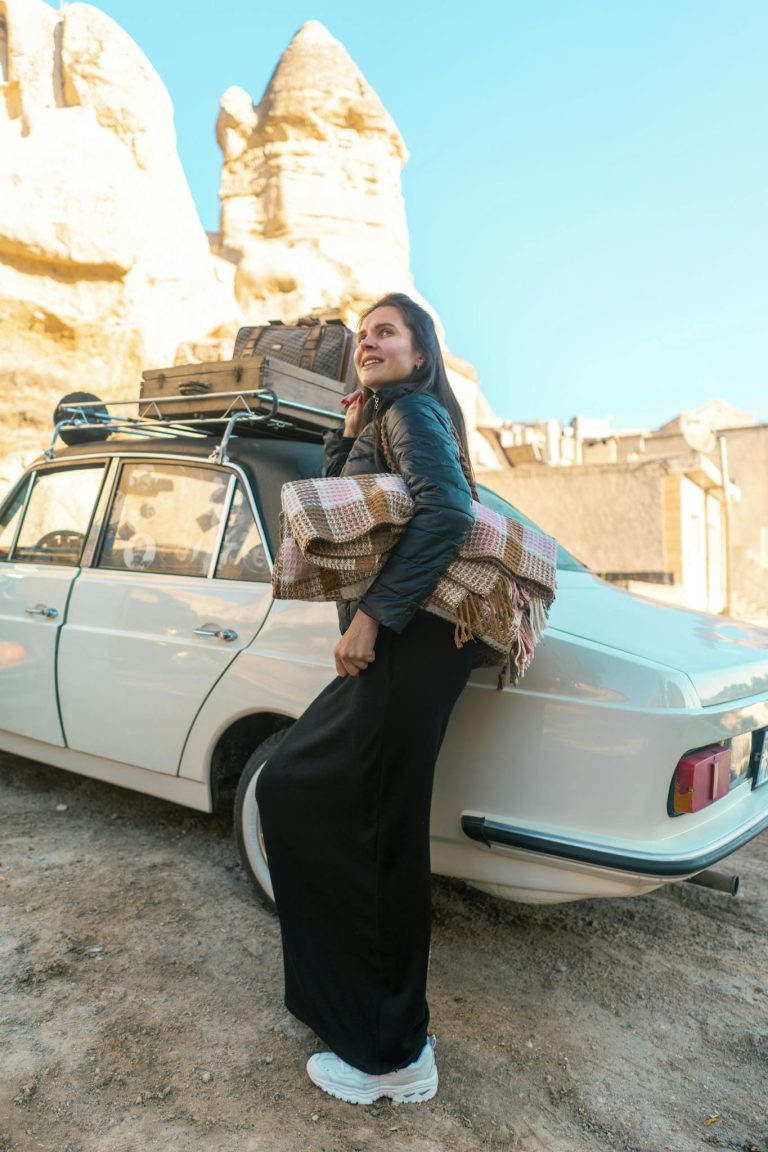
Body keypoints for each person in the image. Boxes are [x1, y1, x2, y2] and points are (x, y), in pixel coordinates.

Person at [256, 292, 477, 1105]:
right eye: (363, 337)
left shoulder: (415, 411)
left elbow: (448, 510)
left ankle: (391, 1057)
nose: (369, 344)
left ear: (422, 352)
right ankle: (364, 1017)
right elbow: (347, 512)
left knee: (370, 830)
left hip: (408, 644)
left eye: (387, 332)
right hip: (406, 648)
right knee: (321, 802)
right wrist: (347, 432)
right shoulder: (387, 416)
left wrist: (374, 623)